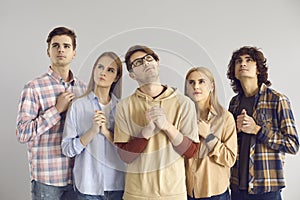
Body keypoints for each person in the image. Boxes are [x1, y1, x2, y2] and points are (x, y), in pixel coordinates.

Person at [114, 45, 200, 200]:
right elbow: (124, 156)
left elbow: (191, 152)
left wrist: (167, 126)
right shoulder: (124, 106)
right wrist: (147, 131)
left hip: (173, 194)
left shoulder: (184, 103)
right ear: (132, 75)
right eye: (138, 63)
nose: (146, 63)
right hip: (136, 194)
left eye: (149, 59)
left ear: (157, 63)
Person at [16, 26, 86, 200]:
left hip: (79, 178)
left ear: (74, 53)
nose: (61, 50)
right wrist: (56, 111)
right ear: (48, 51)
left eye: (66, 46)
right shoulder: (34, 87)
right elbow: (22, 133)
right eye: (55, 46)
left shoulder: (83, 89)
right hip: (47, 179)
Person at [227, 46, 299, 200]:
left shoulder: (277, 100)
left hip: (266, 189)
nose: (243, 64)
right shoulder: (234, 103)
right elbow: (230, 144)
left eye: (249, 60)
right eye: (238, 61)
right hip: (237, 187)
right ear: (234, 72)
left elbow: (293, 144)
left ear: (258, 69)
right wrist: (236, 131)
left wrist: (258, 130)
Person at [61, 51, 125, 200]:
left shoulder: (122, 108)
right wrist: (92, 131)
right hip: (87, 187)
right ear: (94, 70)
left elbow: (128, 150)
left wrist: (106, 133)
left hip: (117, 185)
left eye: (110, 70)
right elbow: (67, 149)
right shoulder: (77, 106)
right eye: (100, 67)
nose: (103, 72)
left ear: (116, 77)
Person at [184, 67, 237, 200]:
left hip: (215, 193)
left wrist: (208, 136)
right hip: (186, 191)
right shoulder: (182, 117)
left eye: (201, 81)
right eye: (191, 82)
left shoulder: (225, 118)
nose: (196, 86)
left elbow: (230, 158)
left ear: (211, 86)